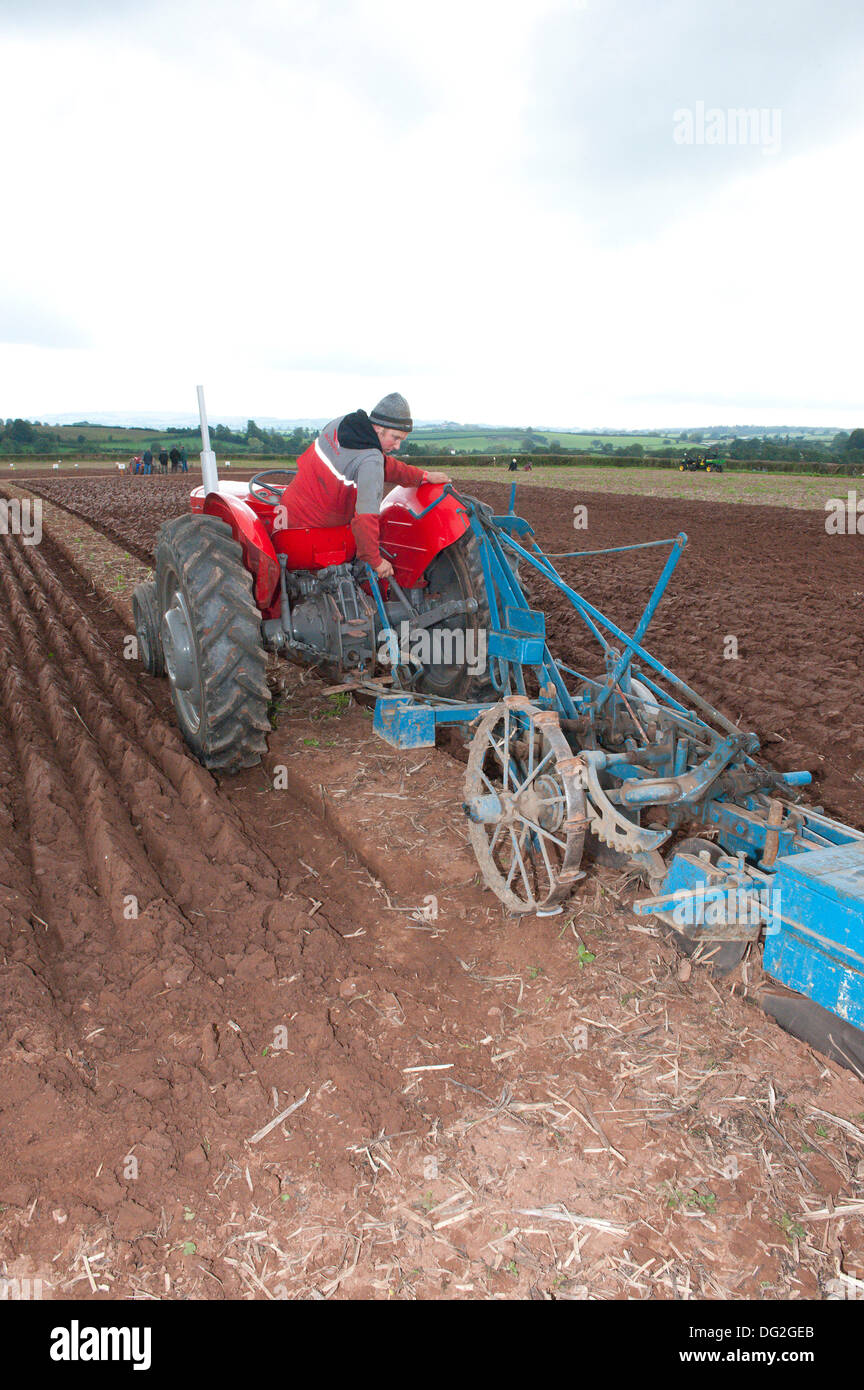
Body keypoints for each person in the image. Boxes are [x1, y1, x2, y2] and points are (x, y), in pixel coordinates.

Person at [279, 393, 449, 577]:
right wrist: (375, 560)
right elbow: (366, 517)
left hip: (287, 516)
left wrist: (422, 476)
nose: (398, 446)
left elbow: (382, 464)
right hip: (314, 537)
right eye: (396, 437)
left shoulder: (341, 425)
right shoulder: (371, 460)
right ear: (378, 428)